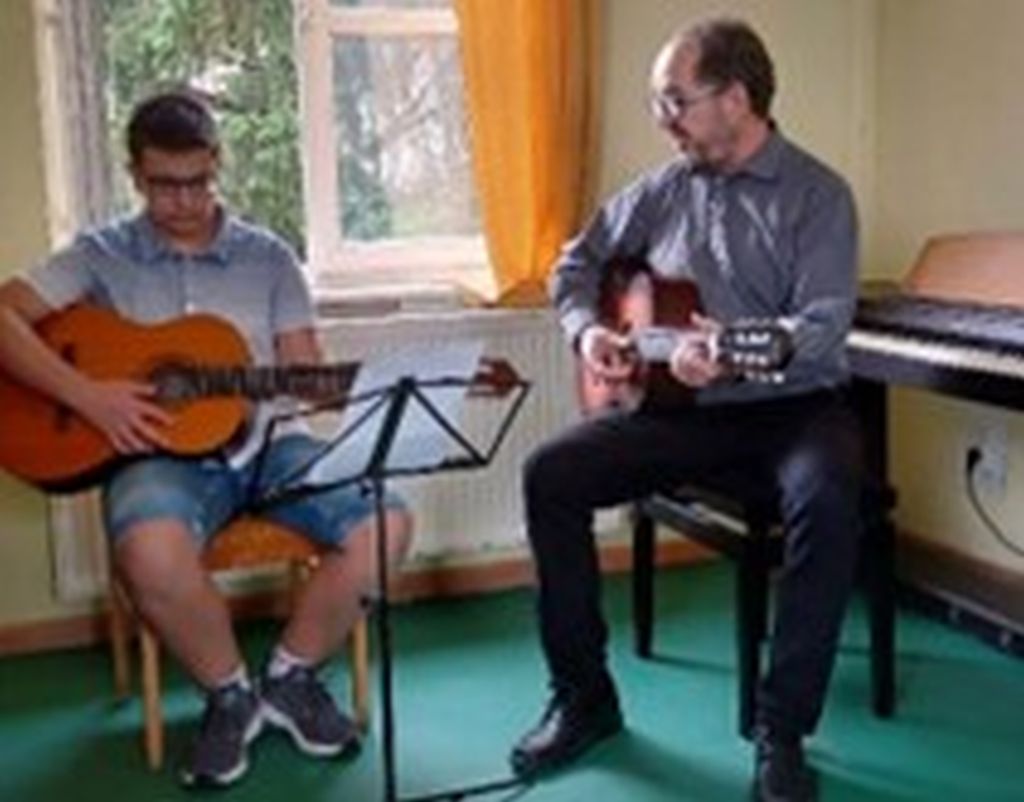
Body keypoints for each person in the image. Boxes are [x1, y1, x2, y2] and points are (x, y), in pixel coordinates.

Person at [0, 90, 413, 788]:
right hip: (158, 456)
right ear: (136, 174)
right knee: (148, 551)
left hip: (272, 445)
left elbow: (304, 371)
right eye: (164, 185)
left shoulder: (269, 258)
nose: (184, 201)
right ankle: (229, 695)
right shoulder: (100, 255)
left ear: (217, 163)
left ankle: (291, 678)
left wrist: (368, 383)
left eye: (197, 181)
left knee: (386, 523)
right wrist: (87, 396)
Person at [509, 18, 861, 802]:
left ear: (735, 98)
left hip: (796, 407)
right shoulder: (665, 188)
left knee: (830, 499)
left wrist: (733, 349)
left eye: (675, 101)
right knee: (549, 475)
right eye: (658, 103)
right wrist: (590, 330)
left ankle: (781, 732)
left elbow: (823, 324)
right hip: (684, 409)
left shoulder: (819, 195)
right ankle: (584, 699)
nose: (663, 119)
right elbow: (575, 264)